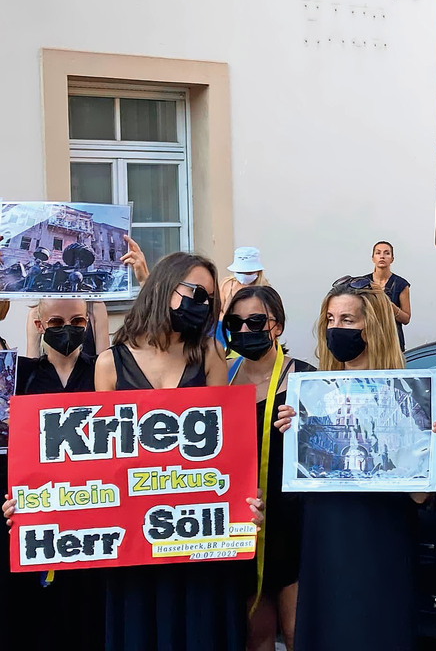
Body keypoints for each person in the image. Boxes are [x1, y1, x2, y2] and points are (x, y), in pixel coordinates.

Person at [92, 251, 264, 651]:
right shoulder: (109, 364)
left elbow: (227, 444)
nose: (201, 304)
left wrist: (244, 499)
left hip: (199, 532)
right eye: (195, 293)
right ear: (164, 287)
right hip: (137, 537)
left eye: (209, 298)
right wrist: (39, 506)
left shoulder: (209, 354)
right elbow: (102, 459)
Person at [274, 275, 436, 651]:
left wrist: (434, 443)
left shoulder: (409, 395)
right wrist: (294, 433)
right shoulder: (312, 393)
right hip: (326, 537)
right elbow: (298, 480)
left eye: (347, 320)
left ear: (372, 327)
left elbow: (419, 496)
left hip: (381, 539)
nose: (335, 329)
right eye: (330, 320)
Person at [1, 298, 107, 651]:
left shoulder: (103, 373)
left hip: (93, 514)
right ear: (40, 325)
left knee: (87, 616)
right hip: (38, 517)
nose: (68, 329)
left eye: (77, 321)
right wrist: (10, 497)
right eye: (57, 322)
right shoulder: (21, 376)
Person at [222, 285, 315, 651]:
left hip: (295, 521)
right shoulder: (221, 378)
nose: (245, 330)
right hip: (246, 520)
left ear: (277, 325)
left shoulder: (306, 379)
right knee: (255, 634)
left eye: (256, 321)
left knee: (297, 632)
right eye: (235, 323)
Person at [364, 241, 412, 351]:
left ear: (392, 259)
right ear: (373, 258)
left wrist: (391, 307)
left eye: (387, 253)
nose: (382, 256)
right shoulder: (362, 283)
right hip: (368, 339)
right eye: (378, 253)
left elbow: (406, 319)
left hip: (392, 340)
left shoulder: (401, 284)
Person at [220, 247, 269, 317]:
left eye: (249, 272)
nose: (243, 275)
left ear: (258, 271)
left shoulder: (265, 291)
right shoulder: (226, 285)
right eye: (239, 272)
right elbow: (217, 312)